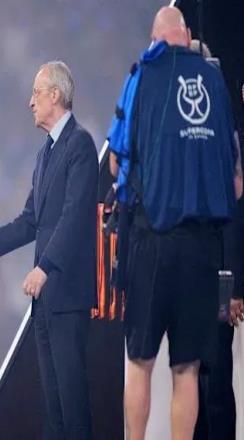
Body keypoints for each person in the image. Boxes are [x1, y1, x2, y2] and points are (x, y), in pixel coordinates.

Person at [109, 7, 242, 440]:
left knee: (140, 362)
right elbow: (236, 182)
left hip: (151, 242)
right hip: (201, 250)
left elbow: (116, 164)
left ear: (154, 38)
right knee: (187, 370)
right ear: (185, 36)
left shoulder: (140, 77)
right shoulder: (216, 84)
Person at [0, 61, 98, 439]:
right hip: (44, 300)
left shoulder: (80, 144)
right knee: (53, 408)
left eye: (36, 93)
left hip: (67, 294)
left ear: (55, 95)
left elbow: (75, 216)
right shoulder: (45, 154)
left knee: (73, 406)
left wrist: (43, 267)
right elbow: (32, 220)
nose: (30, 102)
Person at [189, 39, 244, 440]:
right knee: (191, 382)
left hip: (220, 279)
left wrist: (234, 287)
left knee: (216, 382)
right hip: (187, 277)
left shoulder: (225, 137)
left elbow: (234, 217)